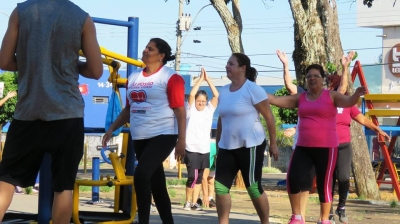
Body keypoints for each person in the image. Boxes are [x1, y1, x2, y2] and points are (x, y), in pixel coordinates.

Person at [0, 1, 103, 223]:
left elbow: (5, 61)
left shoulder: (21, 12)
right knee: (63, 187)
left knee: (6, 181)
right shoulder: (82, 18)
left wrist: (33, 64)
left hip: (28, 112)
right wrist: (70, 65)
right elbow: (96, 70)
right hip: (67, 114)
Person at [267, 62, 366, 224]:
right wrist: (258, 93)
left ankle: (325, 219)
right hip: (303, 147)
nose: (312, 78)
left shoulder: (331, 96)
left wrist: (356, 95)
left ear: (323, 79)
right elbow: (277, 100)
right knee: (292, 178)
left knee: (324, 184)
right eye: (309, 76)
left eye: (315, 76)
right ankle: (297, 216)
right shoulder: (301, 98)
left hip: (327, 148)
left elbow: (349, 102)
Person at [102, 38, 185, 224]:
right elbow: (128, 109)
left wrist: (182, 140)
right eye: (146, 47)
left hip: (164, 134)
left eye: (150, 49)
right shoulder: (134, 78)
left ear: (161, 56)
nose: (145, 51)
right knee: (157, 184)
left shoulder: (170, 77)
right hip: (140, 135)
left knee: (141, 175)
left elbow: (180, 110)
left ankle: (143, 221)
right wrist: (112, 129)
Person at [215, 53, 278, 224]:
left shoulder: (253, 89)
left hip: (250, 145)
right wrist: (218, 145)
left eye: (231, 64)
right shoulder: (224, 90)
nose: (227, 66)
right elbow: (222, 119)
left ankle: (265, 221)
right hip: (227, 146)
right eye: (227, 63)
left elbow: (269, 117)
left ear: (243, 68)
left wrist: (273, 144)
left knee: (253, 187)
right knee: (220, 187)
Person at [183, 68, 218, 211]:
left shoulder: (209, 111)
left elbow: (216, 95)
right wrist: (199, 81)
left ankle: (194, 203)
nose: (201, 103)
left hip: (204, 149)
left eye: (203, 101)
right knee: (192, 176)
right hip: (191, 148)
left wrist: (207, 79)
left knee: (199, 178)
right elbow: (191, 94)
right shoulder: (190, 110)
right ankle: (187, 201)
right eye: (199, 101)